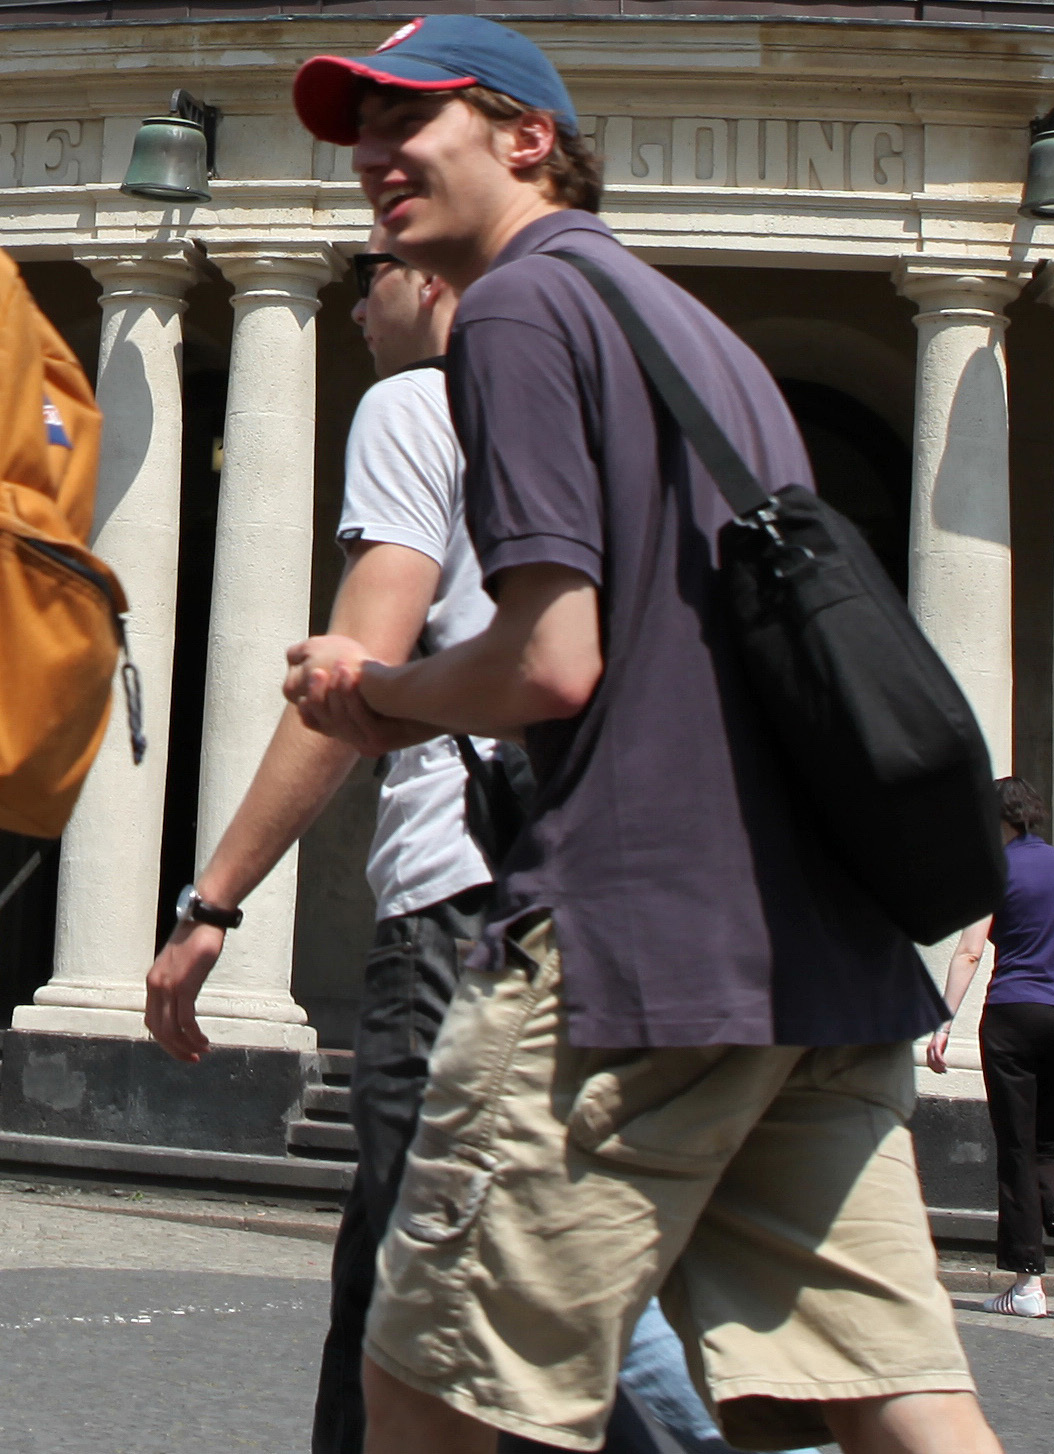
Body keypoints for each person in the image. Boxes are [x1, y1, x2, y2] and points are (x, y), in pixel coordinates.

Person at [279, 15, 1002, 1454]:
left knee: (426, 1367)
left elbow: (550, 661)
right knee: (888, 1389)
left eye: (406, 120)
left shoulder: (514, 311)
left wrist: (377, 687)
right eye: (358, 128)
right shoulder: (694, 330)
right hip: (810, 952)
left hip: (631, 943)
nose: (371, 155)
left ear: (526, 136)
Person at [150, 253, 723, 1454]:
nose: (357, 306)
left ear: (428, 276)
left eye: (372, 276)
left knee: (475, 1263)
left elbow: (353, 675)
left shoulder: (421, 404)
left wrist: (216, 897)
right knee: (394, 1267)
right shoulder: (635, 416)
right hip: (631, 887)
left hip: (467, 898)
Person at [929, 777, 1054, 1321]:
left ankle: (1028, 1282)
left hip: (1015, 1015)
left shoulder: (994, 869)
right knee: (1049, 1139)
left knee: (1018, 1147)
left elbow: (971, 951)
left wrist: (942, 1020)